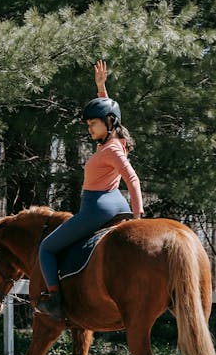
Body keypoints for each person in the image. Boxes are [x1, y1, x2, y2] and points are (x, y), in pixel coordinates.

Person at [35, 60, 145, 319]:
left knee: (46, 249)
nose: (89, 128)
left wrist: (139, 217)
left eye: (92, 123)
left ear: (108, 122)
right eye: (88, 125)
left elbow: (133, 179)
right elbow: (110, 112)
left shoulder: (112, 149)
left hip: (96, 209)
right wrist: (101, 88)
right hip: (116, 203)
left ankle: (55, 300)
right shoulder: (113, 140)